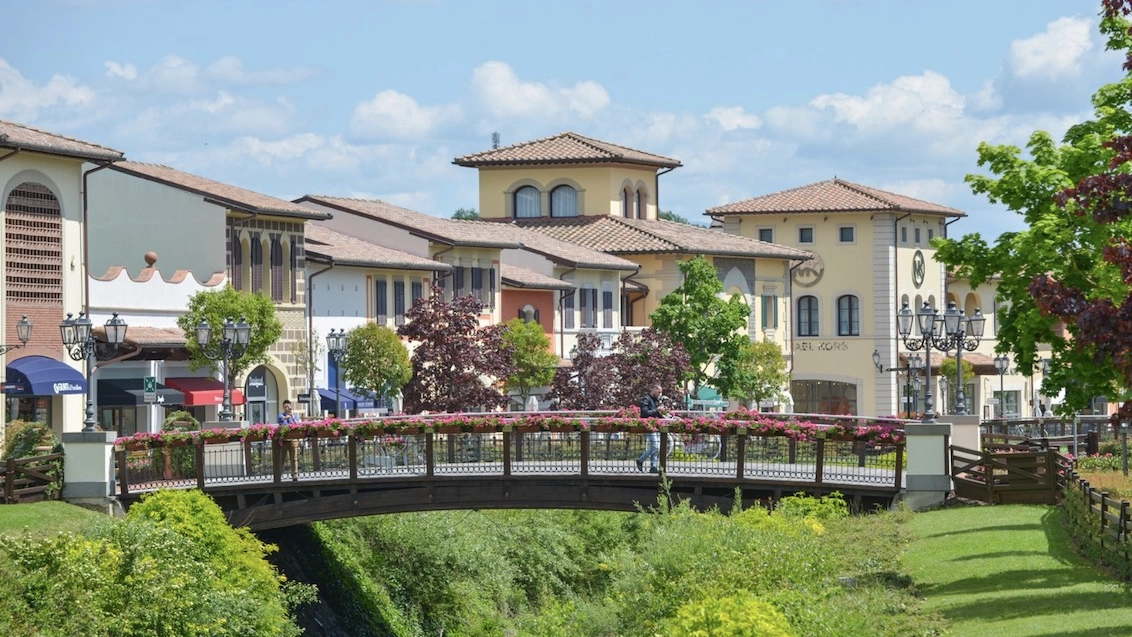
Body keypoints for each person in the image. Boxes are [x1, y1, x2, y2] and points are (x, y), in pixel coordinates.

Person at [636, 384, 663, 473]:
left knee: (656, 446)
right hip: (648, 425)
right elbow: (644, 413)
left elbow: (657, 414)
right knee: (655, 446)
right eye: (658, 392)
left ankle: (653, 467)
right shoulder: (646, 399)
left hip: (655, 425)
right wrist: (657, 410)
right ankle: (640, 459)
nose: (659, 394)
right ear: (654, 389)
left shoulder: (656, 400)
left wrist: (664, 414)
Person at [278, 399, 301, 480]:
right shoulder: (281, 415)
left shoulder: (295, 416)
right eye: (285, 407)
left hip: (293, 440)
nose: (286, 408)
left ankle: (294, 474)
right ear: (283, 408)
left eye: (288, 407)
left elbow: (298, 425)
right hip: (284, 440)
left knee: (294, 458)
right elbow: (281, 421)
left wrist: (292, 418)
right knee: (282, 458)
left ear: (291, 407)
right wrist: (286, 417)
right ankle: (279, 475)